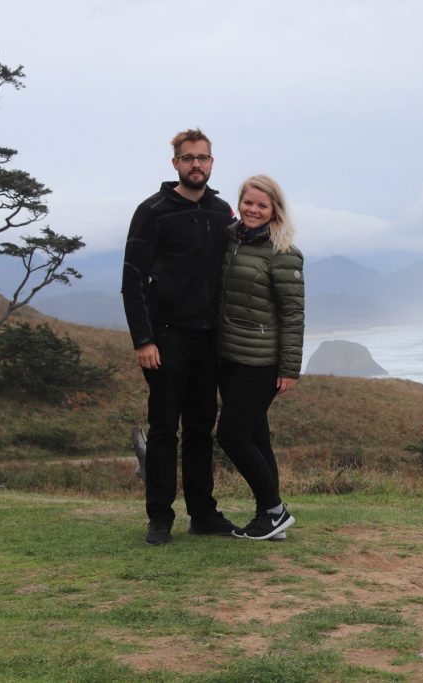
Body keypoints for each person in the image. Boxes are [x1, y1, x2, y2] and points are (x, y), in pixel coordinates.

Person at [122, 129, 242, 545]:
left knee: (199, 430)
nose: (197, 165)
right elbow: (132, 280)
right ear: (174, 163)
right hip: (167, 339)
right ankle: (159, 517)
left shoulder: (222, 211)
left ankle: (203, 514)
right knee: (162, 430)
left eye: (203, 158)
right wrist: (144, 339)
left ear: (212, 163)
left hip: (210, 340)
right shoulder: (152, 211)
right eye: (188, 158)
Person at [216, 175, 304, 540]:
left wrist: (289, 369)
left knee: (232, 436)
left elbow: (293, 314)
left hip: (261, 362)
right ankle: (268, 517)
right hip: (229, 357)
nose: (253, 210)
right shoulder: (230, 239)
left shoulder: (284, 253)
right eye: (248, 202)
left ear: (274, 211)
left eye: (261, 205)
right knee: (257, 438)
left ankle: (276, 511)